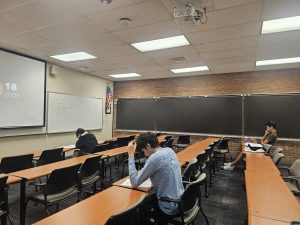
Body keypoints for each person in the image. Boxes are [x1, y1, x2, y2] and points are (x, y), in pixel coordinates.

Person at [127, 132, 184, 225]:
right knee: (148, 198)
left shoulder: (154, 158)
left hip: (168, 206)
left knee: (140, 207)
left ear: (148, 146)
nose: (145, 155)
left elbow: (134, 182)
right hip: (181, 199)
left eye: (144, 151)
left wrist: (130, 155)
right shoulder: (170, 150)